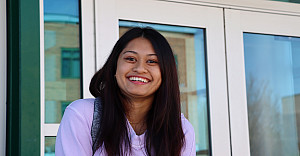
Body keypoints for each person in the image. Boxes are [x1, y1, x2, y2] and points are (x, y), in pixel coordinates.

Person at [55, 27, 196, 156]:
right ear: (114, 66)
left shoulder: (181, 130)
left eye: (152, 61)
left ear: (166, 72)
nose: (140, 68)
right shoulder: (83, 115)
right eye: (130, 59)